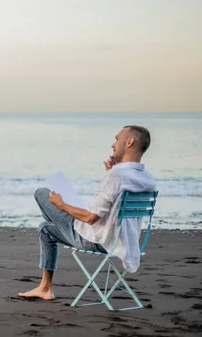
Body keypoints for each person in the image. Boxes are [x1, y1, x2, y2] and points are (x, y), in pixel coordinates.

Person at [18, 125, 156, 300]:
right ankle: (44, 288)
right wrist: (111, 172)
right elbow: (117, 206)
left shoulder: (117, 176)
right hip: (126, 243)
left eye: (116, 139)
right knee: (46, 229)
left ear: (129, 142)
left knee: (42, 193)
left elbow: (90, 218)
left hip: (98, 240)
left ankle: (46, 287)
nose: (113, 145)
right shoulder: (148, 178)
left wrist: (62, 205)